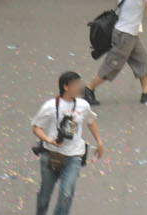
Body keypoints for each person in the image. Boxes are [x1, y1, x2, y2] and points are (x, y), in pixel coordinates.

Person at [32, 71, 102, 215]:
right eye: (76, 85)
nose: (79, 87)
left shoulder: (83, 105)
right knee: (45, 195)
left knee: (66, 194)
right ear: (66, 87)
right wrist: (48, 140)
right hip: (51, 155)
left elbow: (90, 121)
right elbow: (36, 127)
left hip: (74, 156)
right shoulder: (50, 106)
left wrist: (99, 142)